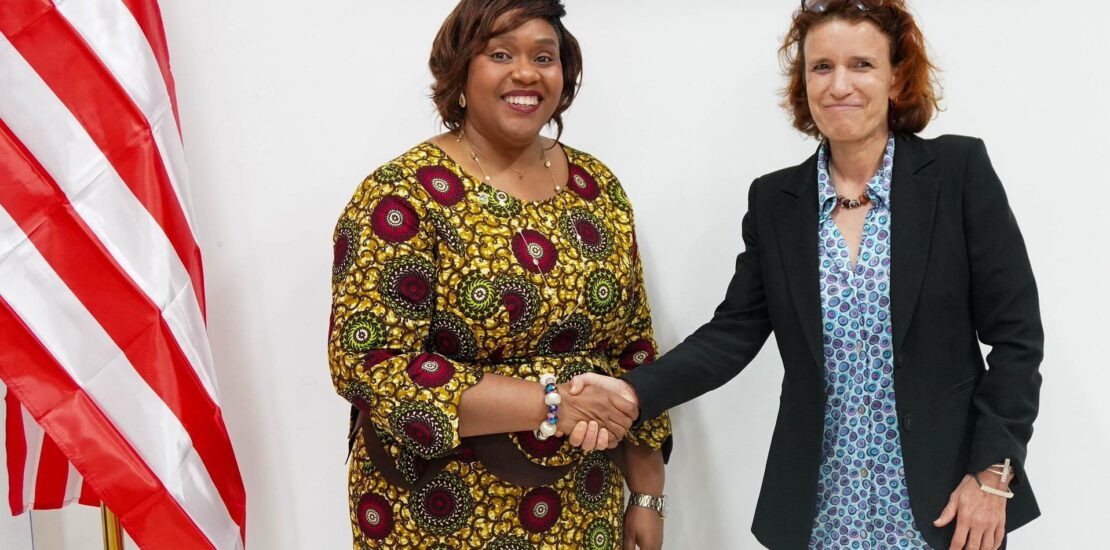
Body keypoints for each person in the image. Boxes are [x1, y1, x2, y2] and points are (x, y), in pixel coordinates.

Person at [571, 1, 1042, 548]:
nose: (839, 84)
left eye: (861, 64)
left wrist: (993, 474)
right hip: (823, 512)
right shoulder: (776, 202)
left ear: (896, 77)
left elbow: (1016, 337)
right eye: (822, 67)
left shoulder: (958, 173)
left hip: (947, 506)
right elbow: (733, 332)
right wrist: (632, 393)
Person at [328, 1, 670, 548]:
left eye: (544, 57)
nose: (527, 73)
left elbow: (633, 348)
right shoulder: (401, 196)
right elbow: (371, 366)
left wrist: (648, 495)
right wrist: (552, 404)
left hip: (584, 506)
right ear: (461, 71)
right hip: (438, 513)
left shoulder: (597, 187)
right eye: (501, 54)